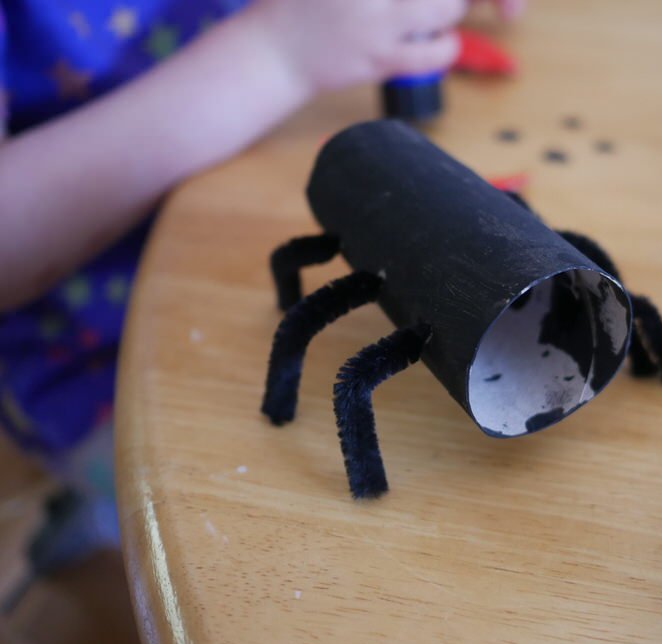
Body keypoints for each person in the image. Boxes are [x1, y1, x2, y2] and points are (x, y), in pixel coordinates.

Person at [0, 0, 523, 527]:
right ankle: (89, 533)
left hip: (261, 192)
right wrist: (280, 51)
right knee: (237, 529)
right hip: (94, 367)